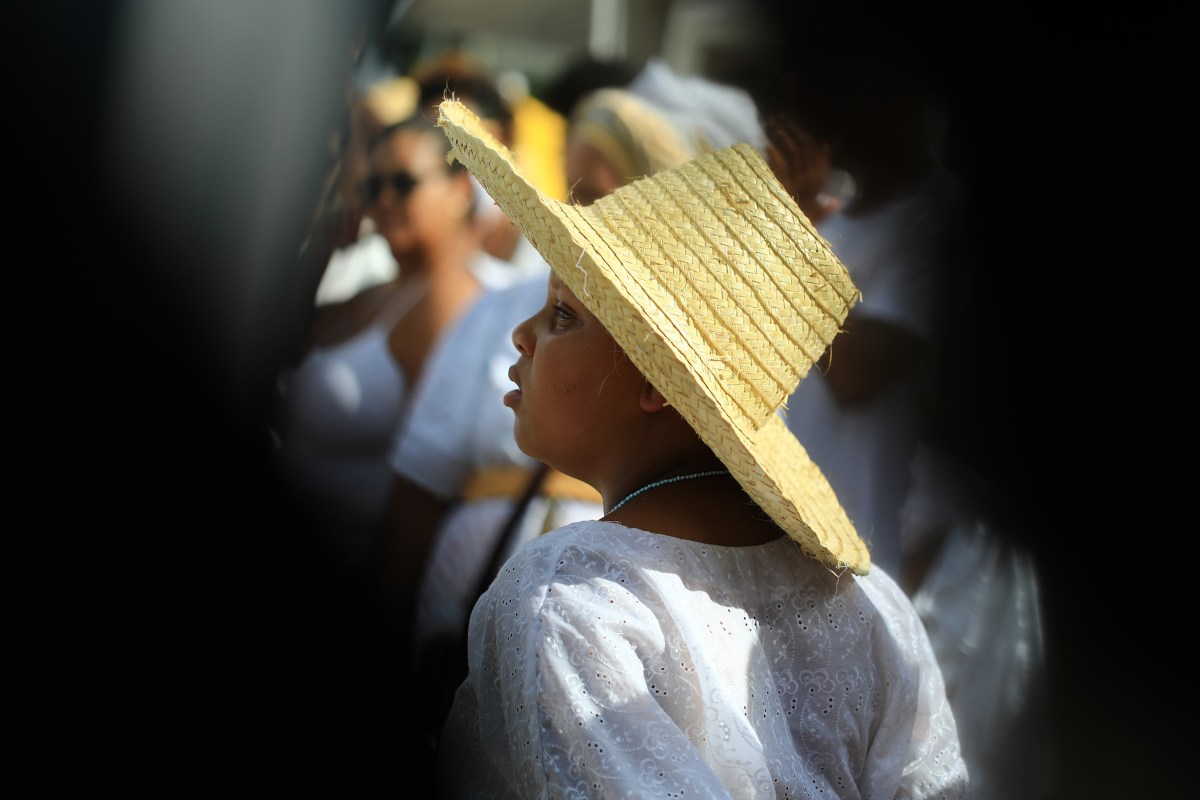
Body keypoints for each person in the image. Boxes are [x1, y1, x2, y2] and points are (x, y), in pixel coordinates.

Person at [433, 98, 967, 799]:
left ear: (657, 380)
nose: (522, 335)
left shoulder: (572, 598)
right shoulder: (875, 608)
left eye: (563, 314)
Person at [380, 81, 740, 754]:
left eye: (604, 193)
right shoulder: (496, 308)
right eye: (573, 192)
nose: (582, 214)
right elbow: (417, 487)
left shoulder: (566, 604)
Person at [273, 110, 499, 570]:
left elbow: (425, 490)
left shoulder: (447, 300)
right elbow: (275, 345)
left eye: (403, 183)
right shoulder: (373, 291)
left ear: (460, 190)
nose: (384, 200)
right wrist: (321, 246)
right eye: (372, 187)